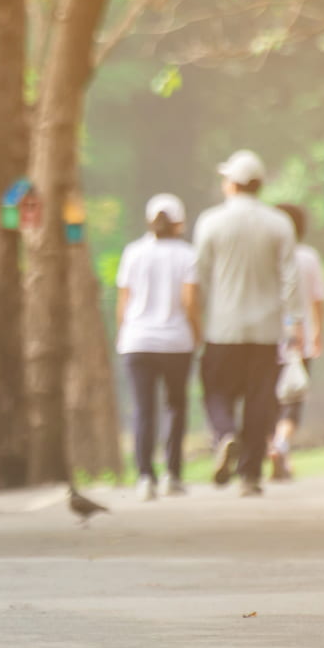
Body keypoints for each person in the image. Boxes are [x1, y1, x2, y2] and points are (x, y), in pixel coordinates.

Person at [192, 150, 301, 497]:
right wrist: (294, 324)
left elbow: (200, 278)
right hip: (266, 331)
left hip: (223, 328)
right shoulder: (278, 223)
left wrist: (197, 320)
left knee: (216, 392)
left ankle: (225, 435)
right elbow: (291, 279)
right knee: (259, 402)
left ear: (232, 184)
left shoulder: (211, 222)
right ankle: (250, 475)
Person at [116, 193, 200, 501]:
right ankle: (172, 475)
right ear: (179, 223)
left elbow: (124, 301)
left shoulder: (133, 253)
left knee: (143, 409)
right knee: (175, 407)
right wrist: (196, 332)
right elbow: (190, 301)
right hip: (176, 341)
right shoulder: (187, 255)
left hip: (137, 341)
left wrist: (123, 333)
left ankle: (144, 477)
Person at [269, 203, 324, 481]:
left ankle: (273, 449)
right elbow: (317, 300)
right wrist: (318, 332)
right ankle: (282, 447)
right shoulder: (308, 257)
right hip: (299, 341)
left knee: (267, 400)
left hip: (267, 339)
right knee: (292, 402)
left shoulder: (268, 256)